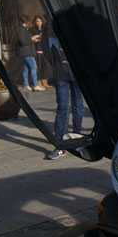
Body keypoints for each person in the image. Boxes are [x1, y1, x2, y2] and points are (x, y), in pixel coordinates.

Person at [45, 25, 83, 160]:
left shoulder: (73, 31)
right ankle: (60, 143)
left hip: (76, 73)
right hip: (60, 74)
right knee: (63, 107)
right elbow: (47, 53)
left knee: (77, 105)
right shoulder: (49, 33)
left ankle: (78, 138)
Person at [16, 14, 44, 92]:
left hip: (27, 51)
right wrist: (32, 38)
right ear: (25, 21)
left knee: (26, 68)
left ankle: (26, 85)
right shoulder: (21, 29)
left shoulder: (23, 29)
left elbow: (25, 40)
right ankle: (35, 85)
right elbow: (23, 41)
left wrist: (34, 40)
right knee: (34, 67)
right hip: (26, 52)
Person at [31, 15, 53, 89]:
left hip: (44, 49)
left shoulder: (44, 28)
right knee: (38, 67)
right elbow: (30, 39)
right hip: (37, 49)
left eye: (40, 21)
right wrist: (35, 40)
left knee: (46, 66)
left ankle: (45, 82)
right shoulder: (33, 30)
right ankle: (39, 83)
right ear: (35, 22)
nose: (39, 23)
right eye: (37, 21)